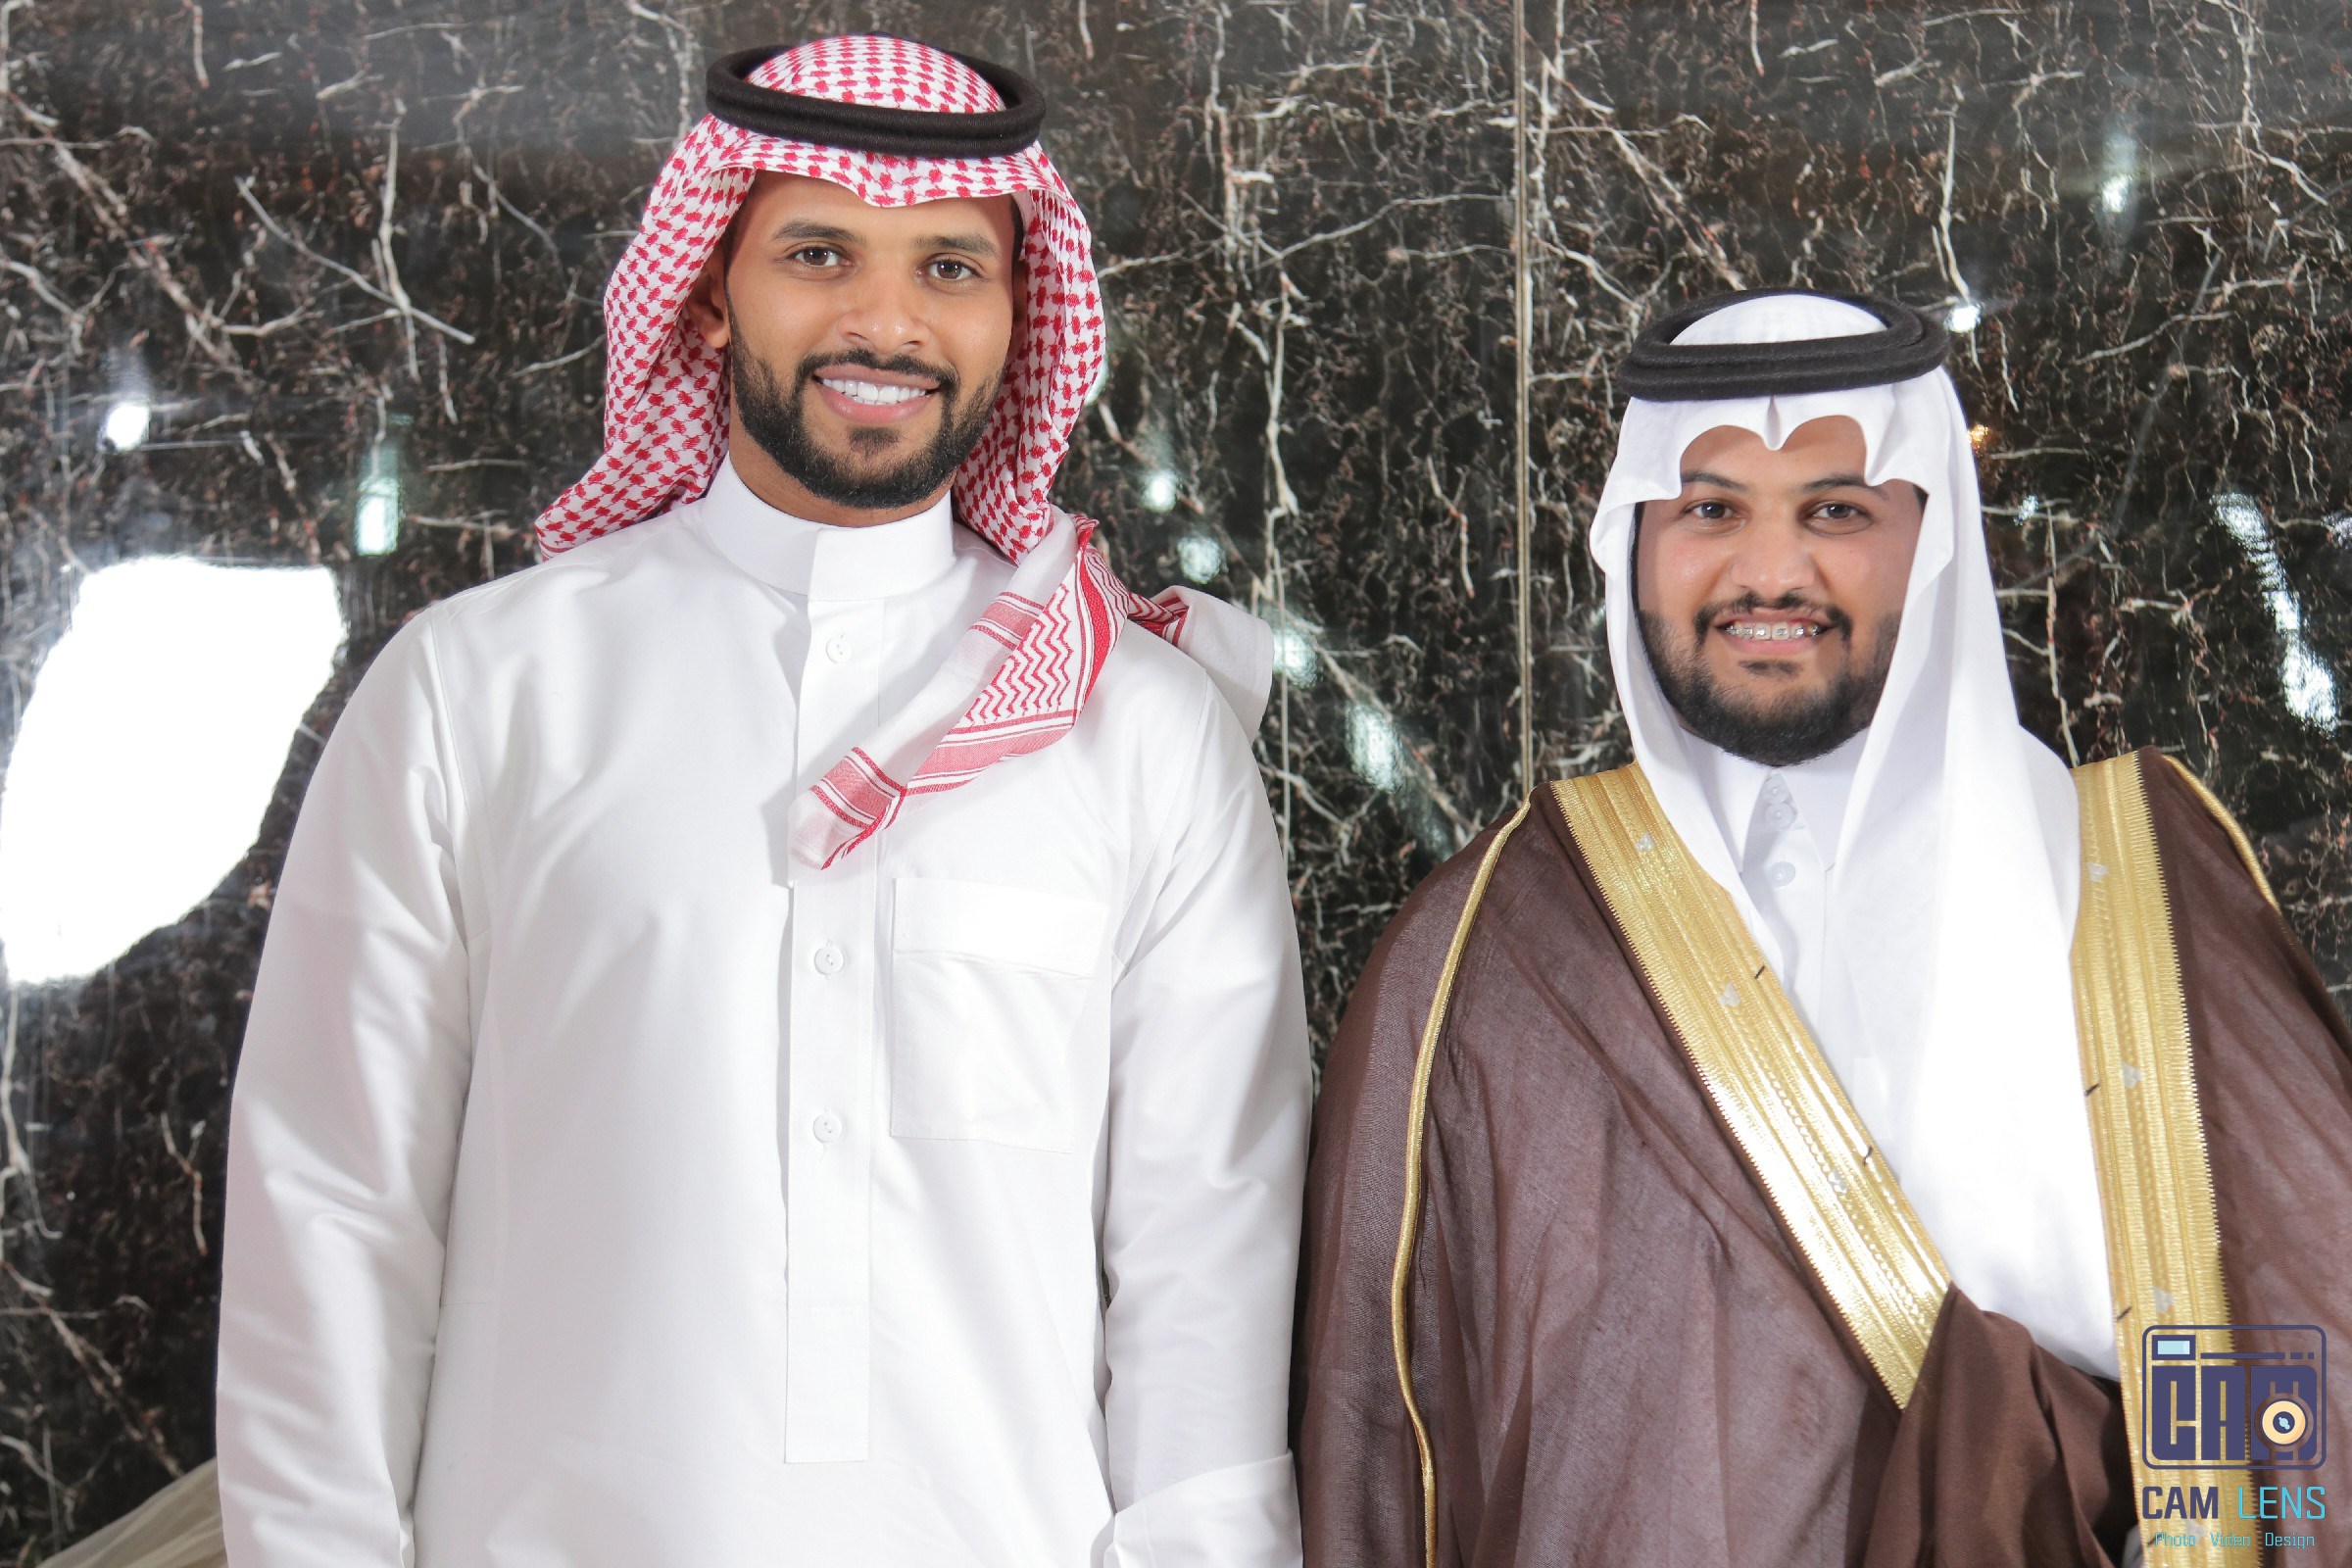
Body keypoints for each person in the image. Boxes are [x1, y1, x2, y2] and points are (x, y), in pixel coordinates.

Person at [216, 36, 1310, 1568]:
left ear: (1019, 318)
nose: (887, 321)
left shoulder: (1144, 732)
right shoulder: (481, 691)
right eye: (817, 254)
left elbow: (1212, 1251)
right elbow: (335, 1204)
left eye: (950, 267)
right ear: (711, 293)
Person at [1295, 289, 2352, 1566]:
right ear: (1634, 539)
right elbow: (1382, 1435)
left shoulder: (2134, 879)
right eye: (1711, 510)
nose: (1771, 571)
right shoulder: (1494, 946)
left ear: (1933, 538)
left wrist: (2175, 1523)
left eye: (1836, 511)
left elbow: (2280, 1336)